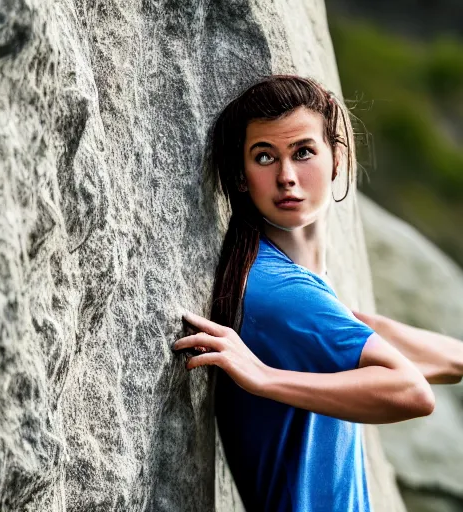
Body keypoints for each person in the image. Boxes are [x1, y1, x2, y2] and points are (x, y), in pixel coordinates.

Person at [172, 75, 463, 511]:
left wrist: (358, 322)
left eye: (303, 152)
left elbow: (452, 361)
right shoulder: (279, 293)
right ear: (241, 177)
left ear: (336, 158)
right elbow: (413, 392)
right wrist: (265, 378)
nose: (287, 177)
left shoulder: (299, 290)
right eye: (264, 156)